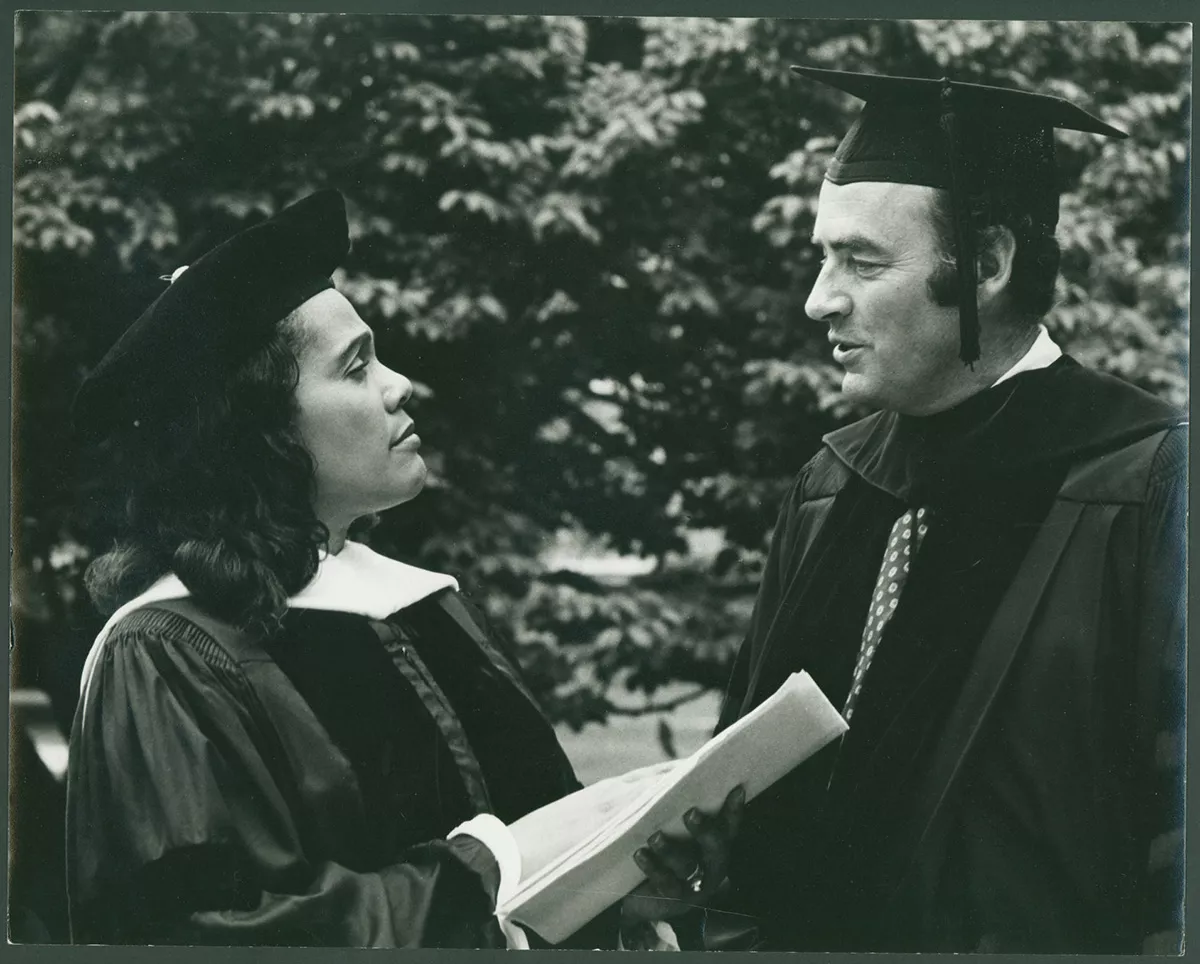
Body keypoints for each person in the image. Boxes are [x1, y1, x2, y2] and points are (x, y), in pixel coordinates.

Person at [65, 189, 741, 948]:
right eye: (356, 368)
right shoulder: (166, 652)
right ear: (260, 434)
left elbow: (552, 861)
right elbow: (199, 929)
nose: (399, 384)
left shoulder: (422, 606)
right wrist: (485, 873)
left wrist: (625, 898)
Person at [705, 68, 1186, 953]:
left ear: (990, 263)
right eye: (821, 256)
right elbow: (736, 795)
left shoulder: (1151, 486)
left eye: (862, 260)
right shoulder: (830, 487)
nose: (820, 299)